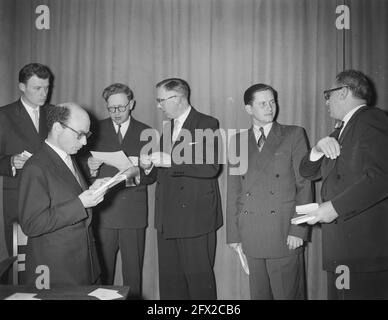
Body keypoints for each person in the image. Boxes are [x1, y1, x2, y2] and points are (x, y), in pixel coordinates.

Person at [299, 69, 388, 299]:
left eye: (328, 94)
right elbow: (307, 171)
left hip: (360, 251)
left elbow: (381, 176)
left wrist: (333, 207)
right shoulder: (340, 130)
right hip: (343, 248)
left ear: (344, 92)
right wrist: (318, 149)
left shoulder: (371, 119)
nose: (326, 101)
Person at [226, 83, 312, 300]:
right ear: (248, 109)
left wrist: (299, 230)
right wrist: (234, 235)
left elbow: (304, 184)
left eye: (272, 101)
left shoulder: (293, 134)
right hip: (252, 235)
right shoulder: (237, 142)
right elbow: (234, 191)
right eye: (262, 103)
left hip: (284, 233)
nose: (269, 107)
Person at [140, 78, 223, 300]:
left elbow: (211, 167)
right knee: (171, 286)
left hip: (195, 219)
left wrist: (170, 161)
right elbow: (161, 174)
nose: (158, 105)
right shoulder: (167, 130)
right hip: (167, 219)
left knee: (199, 287)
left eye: (161, 100)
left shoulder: (207, 123)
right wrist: (149, 168)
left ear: (178, 98)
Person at [18, 102, 118, 285]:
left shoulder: (67, 157)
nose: (85, 142)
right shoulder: (36, 167)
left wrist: (91, 190)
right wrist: (80, 204)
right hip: (57, 272)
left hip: (85, 265)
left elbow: (67, 196)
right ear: (57, 128)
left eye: (87, 135)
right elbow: (32, 224)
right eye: (80, 134)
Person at [86, 83, 154, 297]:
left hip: (133, 214)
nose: (116, 113)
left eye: (121, 108)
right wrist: (91, 168)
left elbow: (153, 176)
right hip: (105, 212)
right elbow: (81, 171)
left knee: (133, 276)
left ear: (131, 104)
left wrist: (145, 167)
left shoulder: (146, 132)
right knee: (103, 276)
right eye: (111, 108)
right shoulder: (94, 130)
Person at [0, 63, 52, 264]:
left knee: (47, 261)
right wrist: (11, 161)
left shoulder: (55, 114)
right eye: (37, 88)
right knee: (21, 263)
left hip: (51, 199)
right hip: (19, 198)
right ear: (21, 87)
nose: (44, 93)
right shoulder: (3, 116)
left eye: (46, 87)